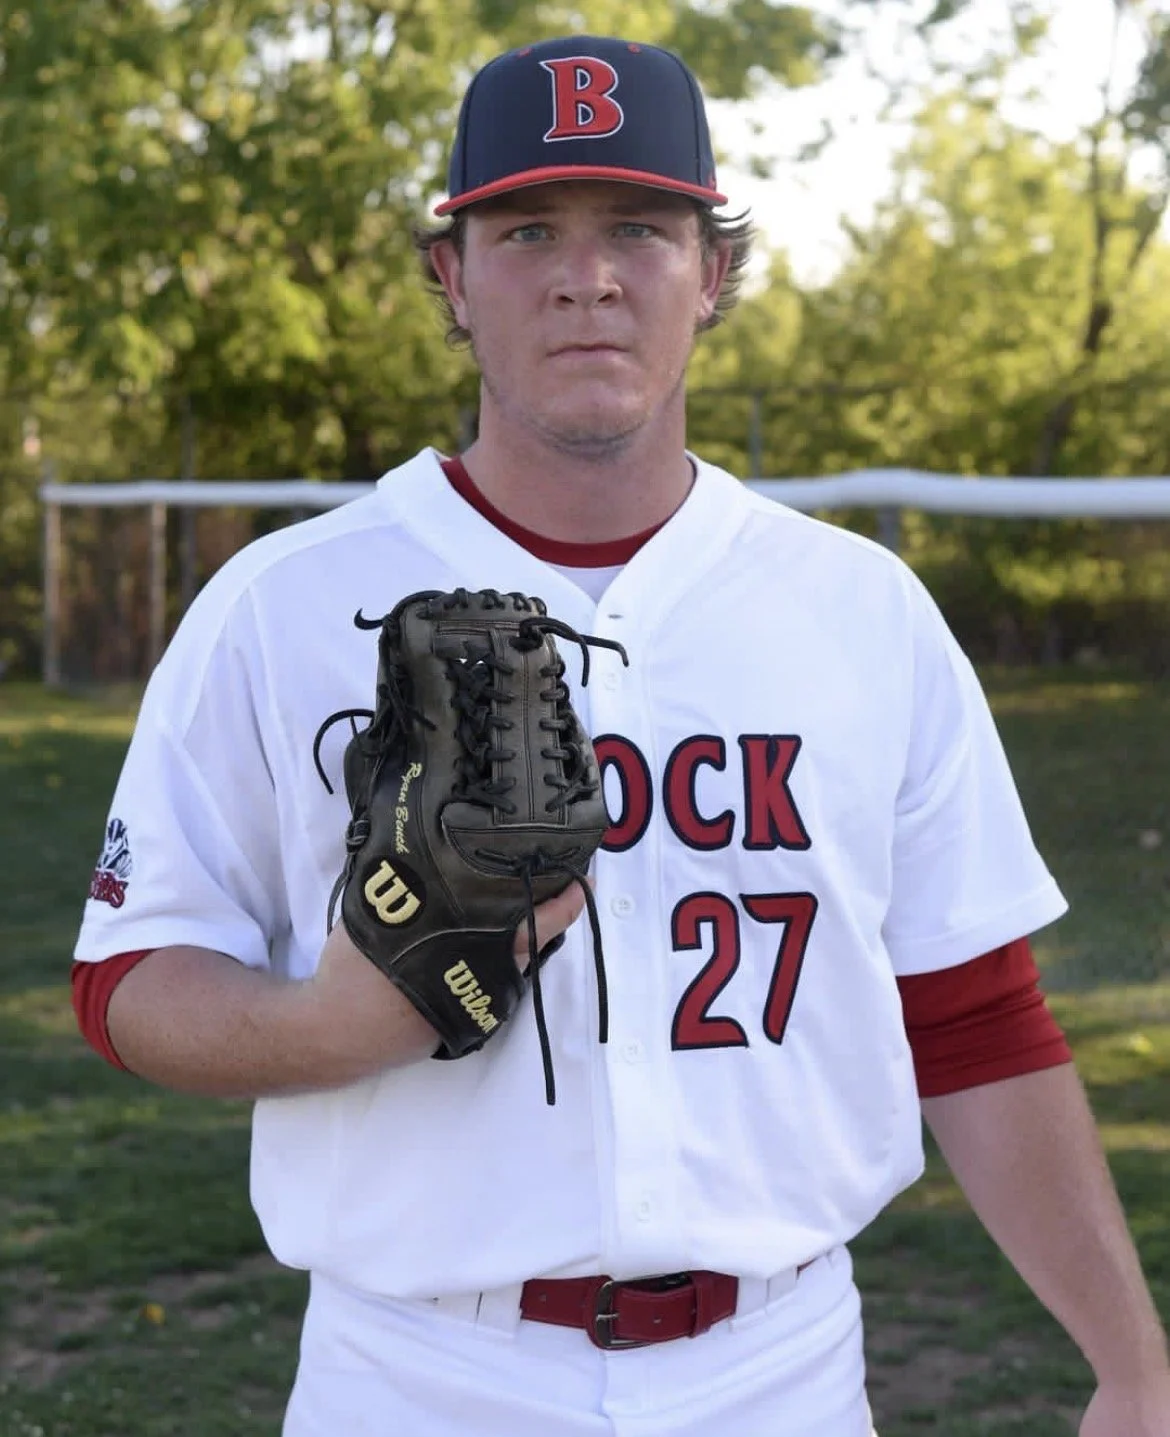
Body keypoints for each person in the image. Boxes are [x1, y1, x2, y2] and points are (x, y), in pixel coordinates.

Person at [71, 34, 1170, 1437]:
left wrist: (1133, 1365)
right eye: (527, 230)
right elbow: (127, 975)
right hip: (417, 1376)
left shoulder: (861, 609)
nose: (585, 276)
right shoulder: (281, 604)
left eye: (640, 229)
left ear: (711, 273)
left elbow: (972, 1012)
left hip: (782, 1370)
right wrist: (325, 1028)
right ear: (451, 276)